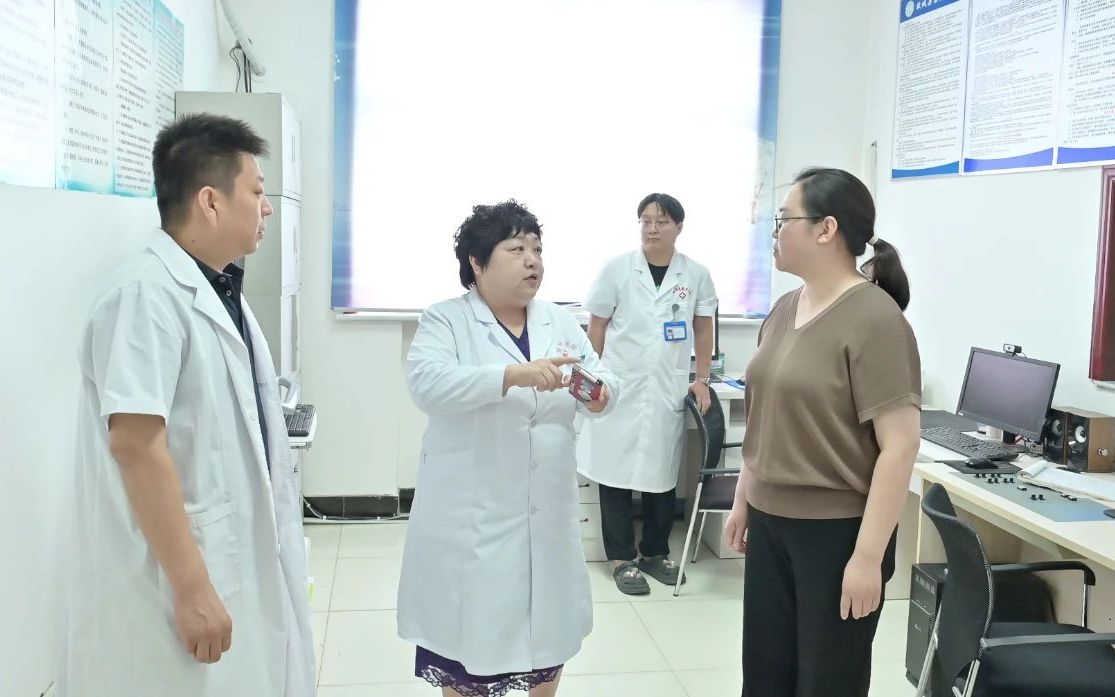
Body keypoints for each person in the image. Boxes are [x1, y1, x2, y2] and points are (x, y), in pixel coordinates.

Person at [59, 114, 315, 697]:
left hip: (228, 558)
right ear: (210, 201)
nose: (267, 208)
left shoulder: (215, 286)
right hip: (171, 582)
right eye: (256, 191)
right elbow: (135, 445)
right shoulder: (145, 295)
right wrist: (193, 585)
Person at [398, 200, 618, 697]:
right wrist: (511, 375)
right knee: (468, 643)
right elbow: (428, 385)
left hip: (547, 511)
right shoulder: (446, 320)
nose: (532, 261)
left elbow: (600, 375)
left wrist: (600, 394)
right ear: (477, 263)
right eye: (516, 249)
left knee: (548, 636)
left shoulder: (559, 321)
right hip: (473, 516)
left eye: (537, 249)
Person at [725, 167, 922, 697]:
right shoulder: (785, 308)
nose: (774, 233)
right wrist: (744, 499)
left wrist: (867, 557)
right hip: (770, 522)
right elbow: (765, 416)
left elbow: (900, 446)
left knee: (826, 682)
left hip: (837, 535)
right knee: (765, 676)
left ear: (826, 229)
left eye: (783, 220)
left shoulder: (876, 320)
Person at [579, 193, 718, 595]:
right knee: (615, 475)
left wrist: (702, 377)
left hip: (665, 387)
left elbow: (703, 327)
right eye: (645, 221)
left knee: (662, 475)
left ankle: (655, 553)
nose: (652, 229)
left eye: (661, 221)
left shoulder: (696, 274)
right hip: (619, 385)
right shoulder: (617, 269)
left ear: (679, 227)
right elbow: (597, 325)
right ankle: (621, 559)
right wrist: (593, 375)